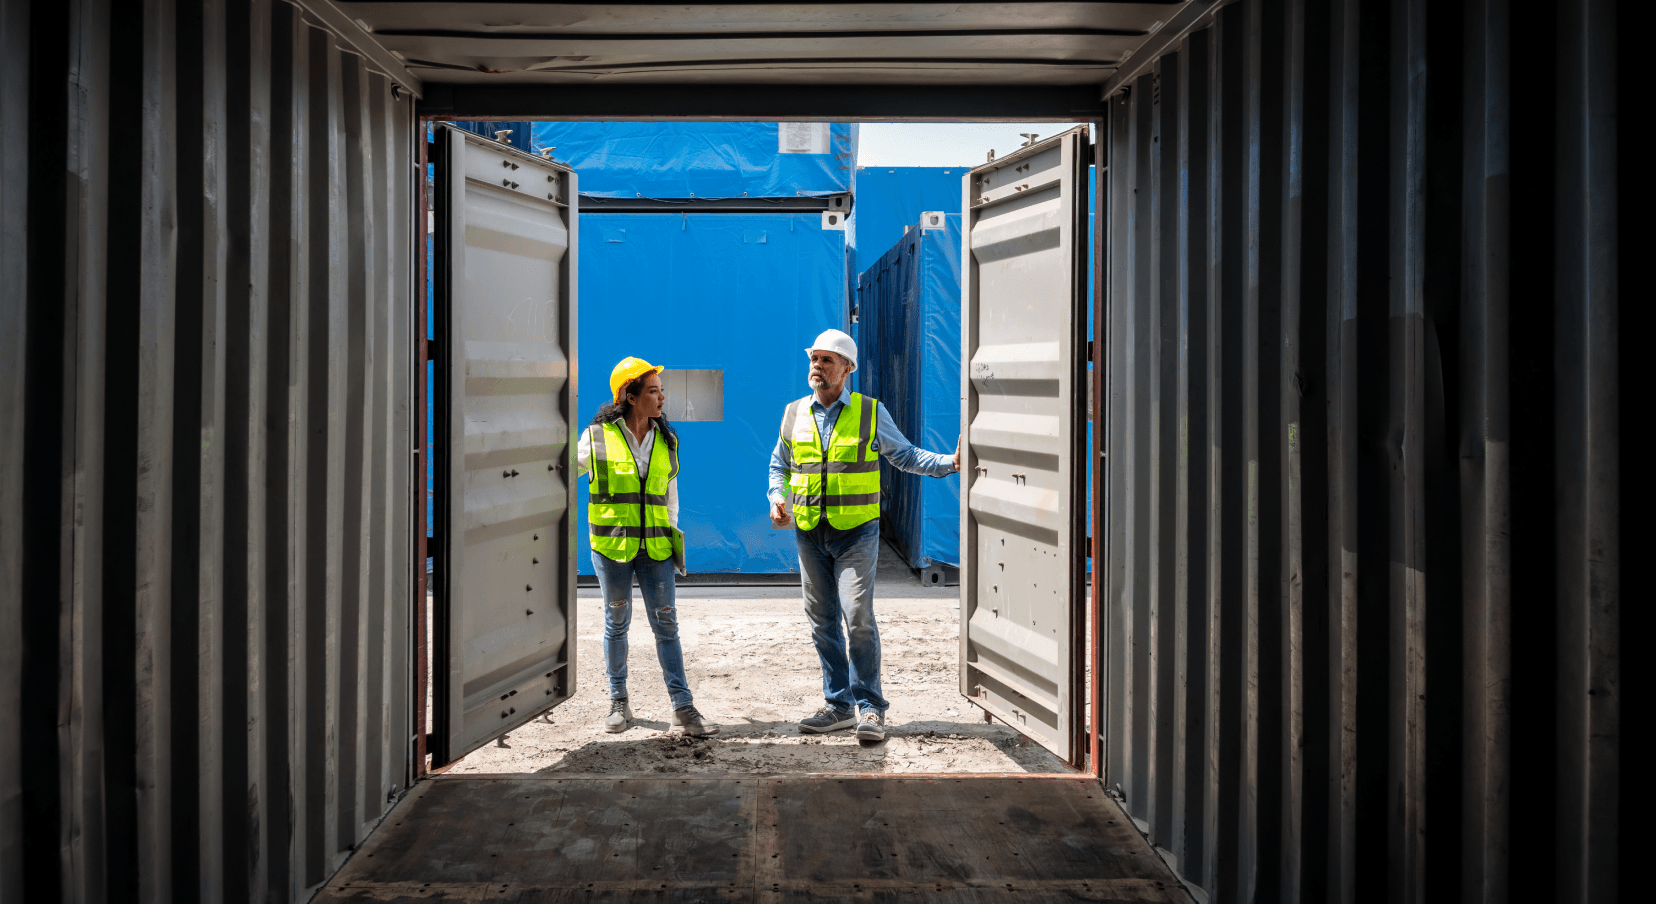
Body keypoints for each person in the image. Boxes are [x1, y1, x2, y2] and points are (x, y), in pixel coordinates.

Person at [768, 329, 960, 741]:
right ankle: (837, 706)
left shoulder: (871, 413)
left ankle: (870, 707)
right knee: (821, 621)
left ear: (847, 369)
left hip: (856, 533)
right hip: (808, 533)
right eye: (813, 360)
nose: (816, 367)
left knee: (856, 617)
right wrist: (776, 497)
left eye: (826, 361)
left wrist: (950, 462)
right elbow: (779, 465)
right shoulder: (793, 413)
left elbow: (905, 455)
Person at [578, 356, 717, 737]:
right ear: (629, 395)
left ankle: (682, 706)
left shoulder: (667, 439)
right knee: (616, 623)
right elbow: (561, 471)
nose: (661, 398)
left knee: (667, 625)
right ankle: (618, 701)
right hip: (612, 549)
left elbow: (671, 496)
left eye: (660, 390)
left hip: (655, 549)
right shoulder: (595, 438)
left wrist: (668, 533)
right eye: (653, 391)